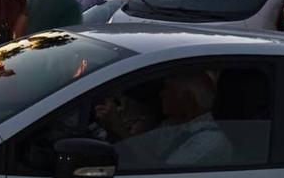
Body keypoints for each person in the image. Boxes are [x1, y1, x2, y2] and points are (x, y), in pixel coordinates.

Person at [99, 71, 232, 168]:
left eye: (168, 89)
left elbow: (159, 171)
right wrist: (112, 129)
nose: (161, 94)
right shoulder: (172, 124)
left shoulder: (209, 141)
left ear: (188, 99)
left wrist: (120, 129)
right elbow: (138, 151)